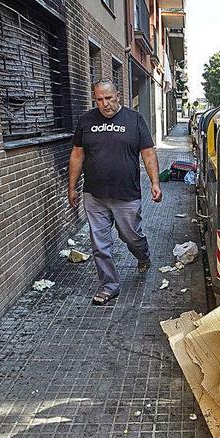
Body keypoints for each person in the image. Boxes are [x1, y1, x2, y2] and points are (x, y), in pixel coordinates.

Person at [68, 79, 162, 305]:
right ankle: (109, 285)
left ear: (118, 95)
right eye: (99, 99)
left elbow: (148, 154)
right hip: (94, 195)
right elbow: (77, 155)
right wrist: (72, 186)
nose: (104, 104)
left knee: (131, 236)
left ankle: (143, 255)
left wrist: (155, 183)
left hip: (126, 194)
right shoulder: (86, 120)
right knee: (100, 243)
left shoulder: (134, 120)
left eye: (108, 98)